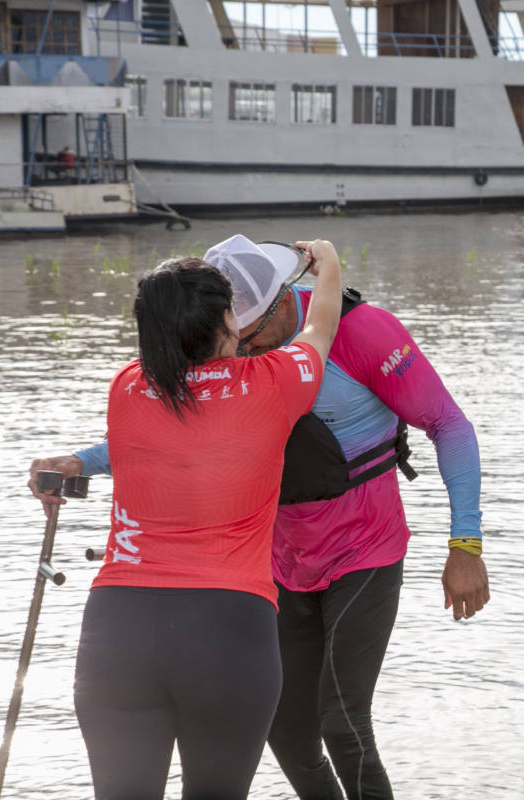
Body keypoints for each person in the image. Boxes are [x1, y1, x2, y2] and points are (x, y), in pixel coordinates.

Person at [29, 236, 490, 800]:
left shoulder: (364, 333)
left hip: (362, 550)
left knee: (342, 721)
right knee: (286, 732)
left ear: (275, 304)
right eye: (234, 336)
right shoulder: (245, 361)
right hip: (275, 563)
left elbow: (448, 423)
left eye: (249, 336)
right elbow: (180, 425)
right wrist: (83, 460)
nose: (239, 350)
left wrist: (465, 544)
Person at [42, 238, 342, 799]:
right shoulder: (275, 382)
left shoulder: (126, 388)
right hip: (228, 630)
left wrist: (76, 462)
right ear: (228, 322)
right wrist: (328, 263)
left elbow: (154, 441)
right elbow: (319, 328)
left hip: (118, 629)